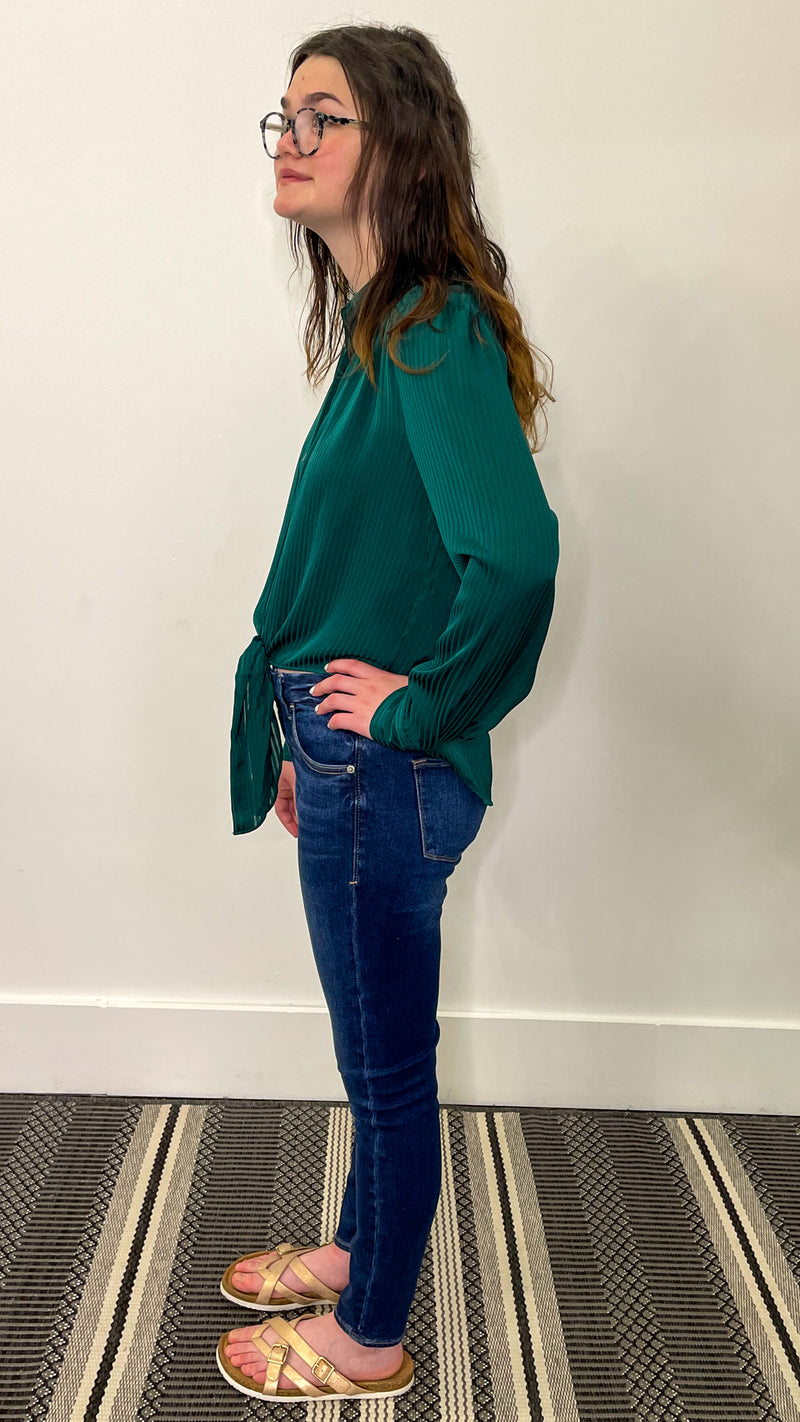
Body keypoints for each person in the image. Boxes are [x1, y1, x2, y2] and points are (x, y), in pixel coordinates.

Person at [218, 22, 560, 1404]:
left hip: (385, 773)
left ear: (398, 146)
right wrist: (311, 730)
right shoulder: (385, 325)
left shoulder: (428, 327)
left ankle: (368, 1334)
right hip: (350, 763)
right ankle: (360, 1246)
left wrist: (415, 713)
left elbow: (515, 559)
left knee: (390, 1069)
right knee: (372, 1054)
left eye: (324, 116)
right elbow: (380, 562)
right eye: (283, 116)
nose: (290, 141)